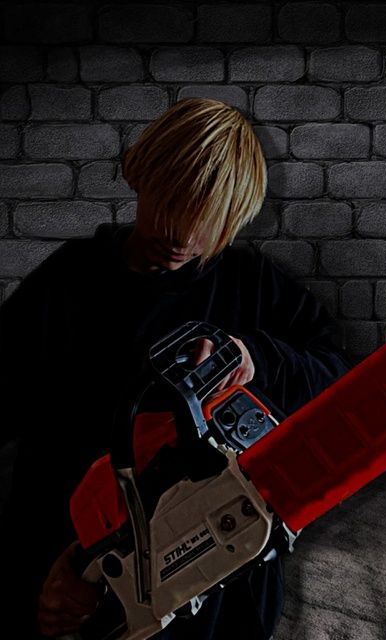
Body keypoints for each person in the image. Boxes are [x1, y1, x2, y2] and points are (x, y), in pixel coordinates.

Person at [0, 97, 351, 639]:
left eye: (208, 222)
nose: (183, 238)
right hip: (83, 584)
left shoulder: (255, 287)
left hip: (218, 601)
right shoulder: (68, 283)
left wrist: (254, 357)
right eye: (172, 208)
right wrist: (44, 577)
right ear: (140, 174)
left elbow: (339, 381)